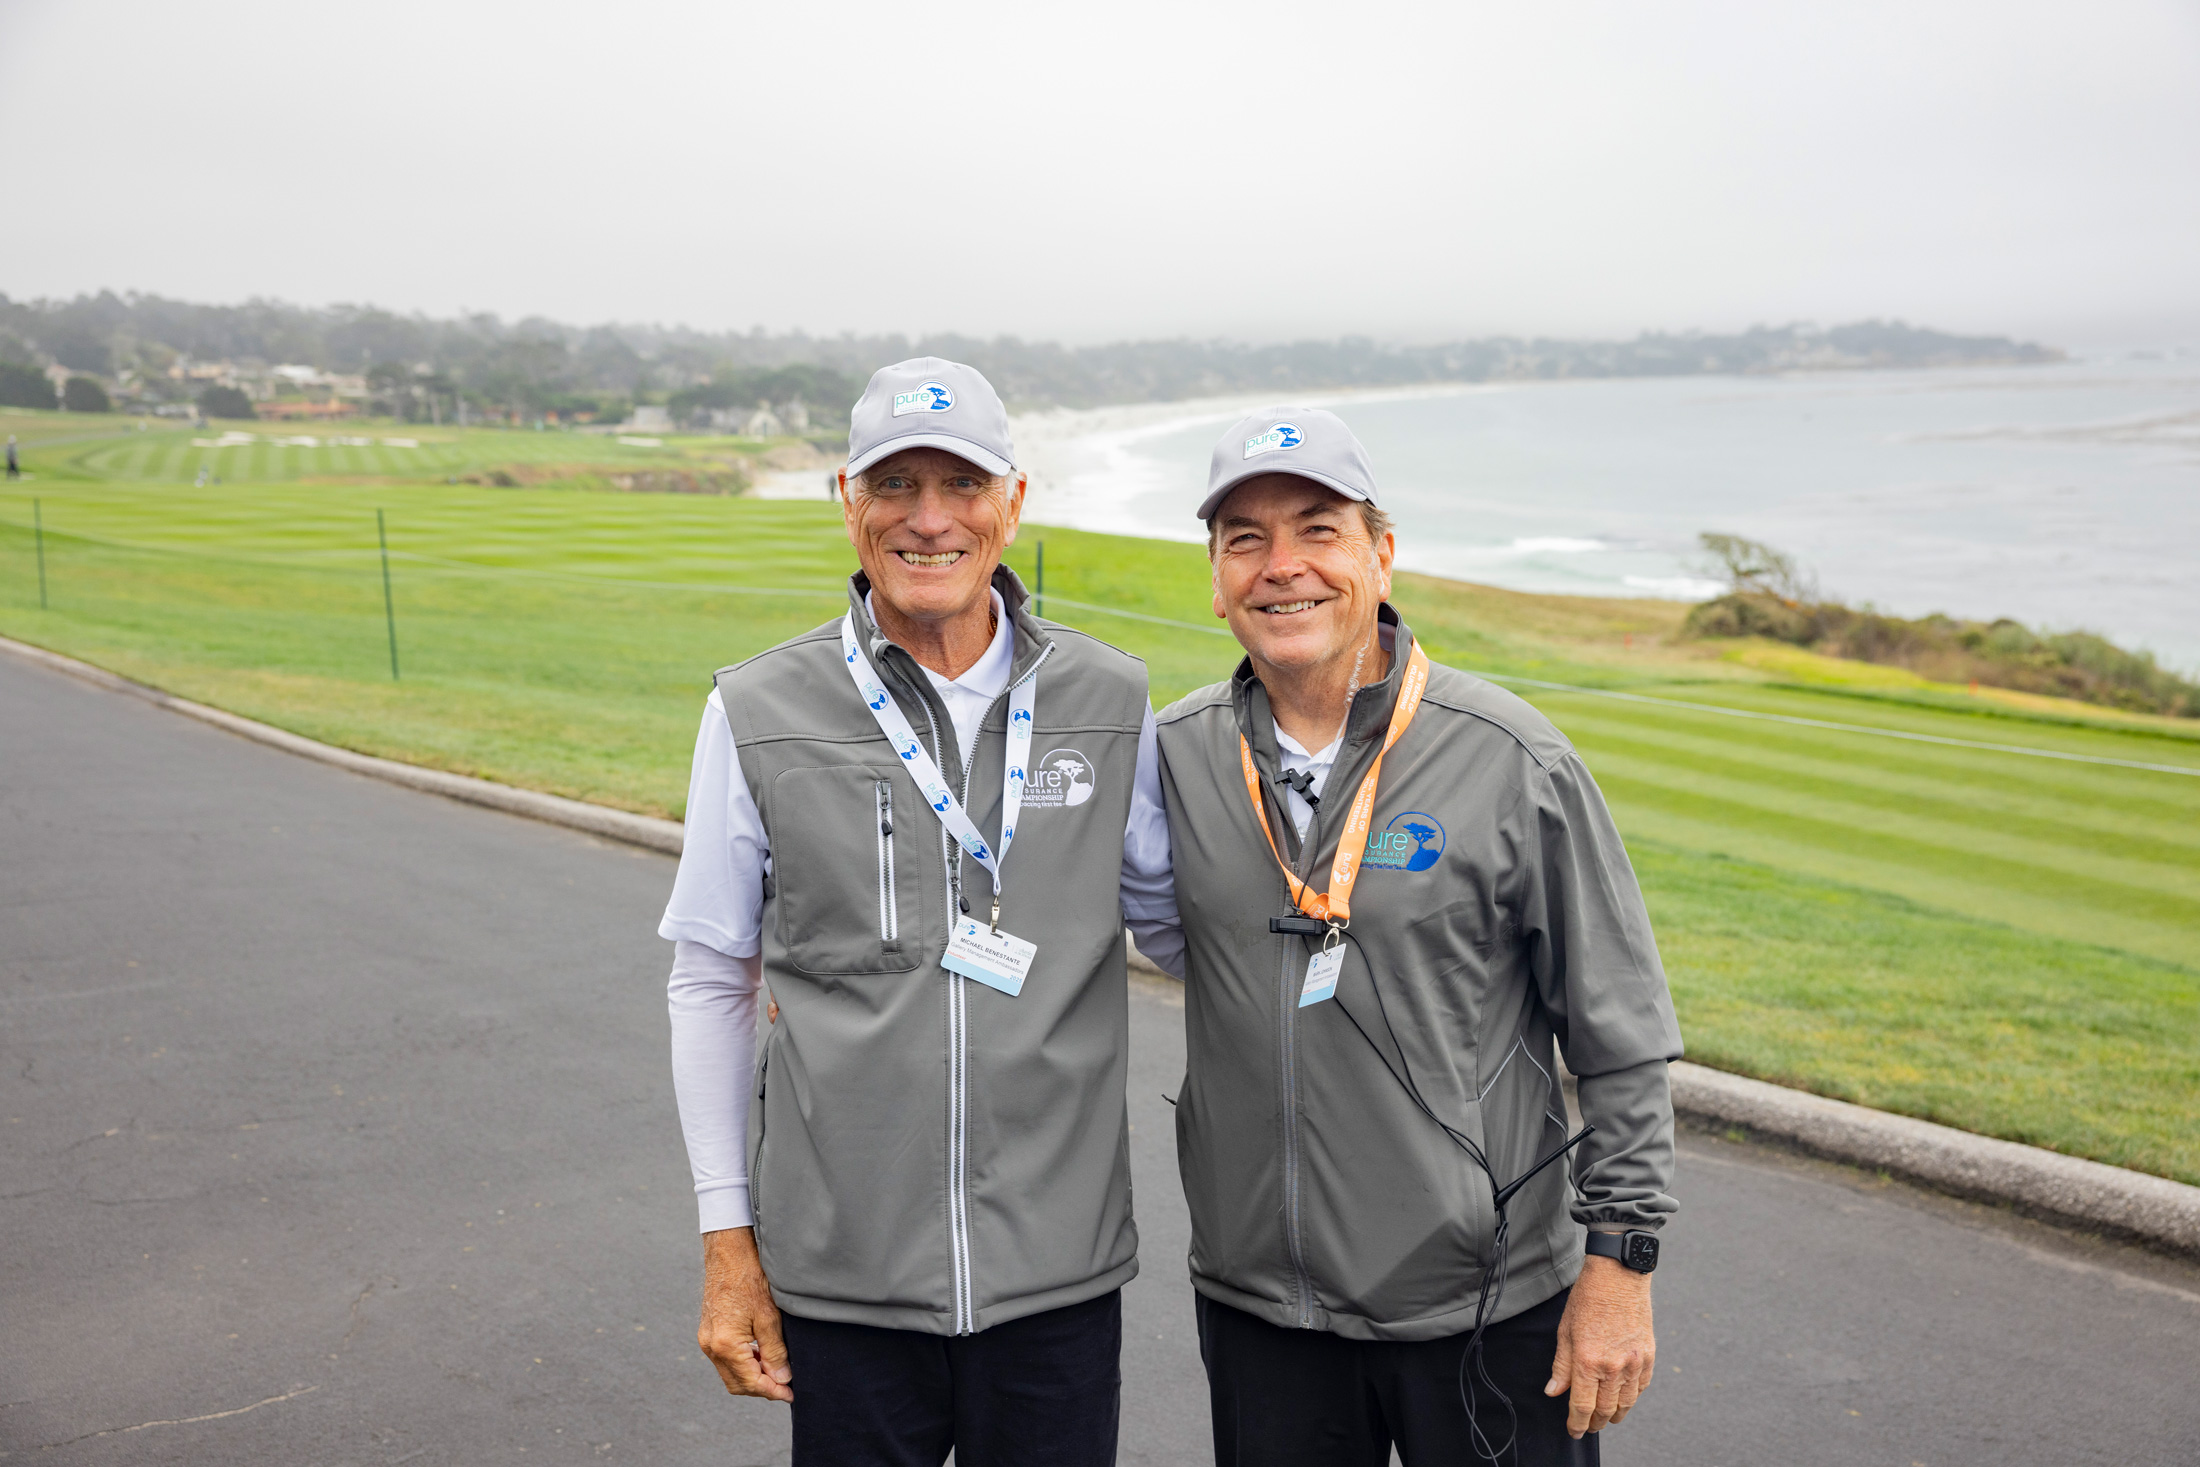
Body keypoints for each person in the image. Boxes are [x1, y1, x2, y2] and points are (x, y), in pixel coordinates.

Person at [658, 356, 1182, 1466]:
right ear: (848, 498)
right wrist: (726, 1243)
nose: (929, 521)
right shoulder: (754, 709)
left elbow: (1192, 935)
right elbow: (711, 978)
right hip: (845, 1282)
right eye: (896, 486)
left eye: (962, 486)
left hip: (1058, 1275)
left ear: (1014, 502)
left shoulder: (1108, 701)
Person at [1154, 407, 1682, 1466]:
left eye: (1318, 530)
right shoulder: (1171, 760)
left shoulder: (1509, 757)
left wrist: (1619, 1265)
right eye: (1244, 540)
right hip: (1263, 1314)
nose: (1281, 568)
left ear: (1380, 556)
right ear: (1214, 580)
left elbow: (1618, 1034)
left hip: (1486, 1308)